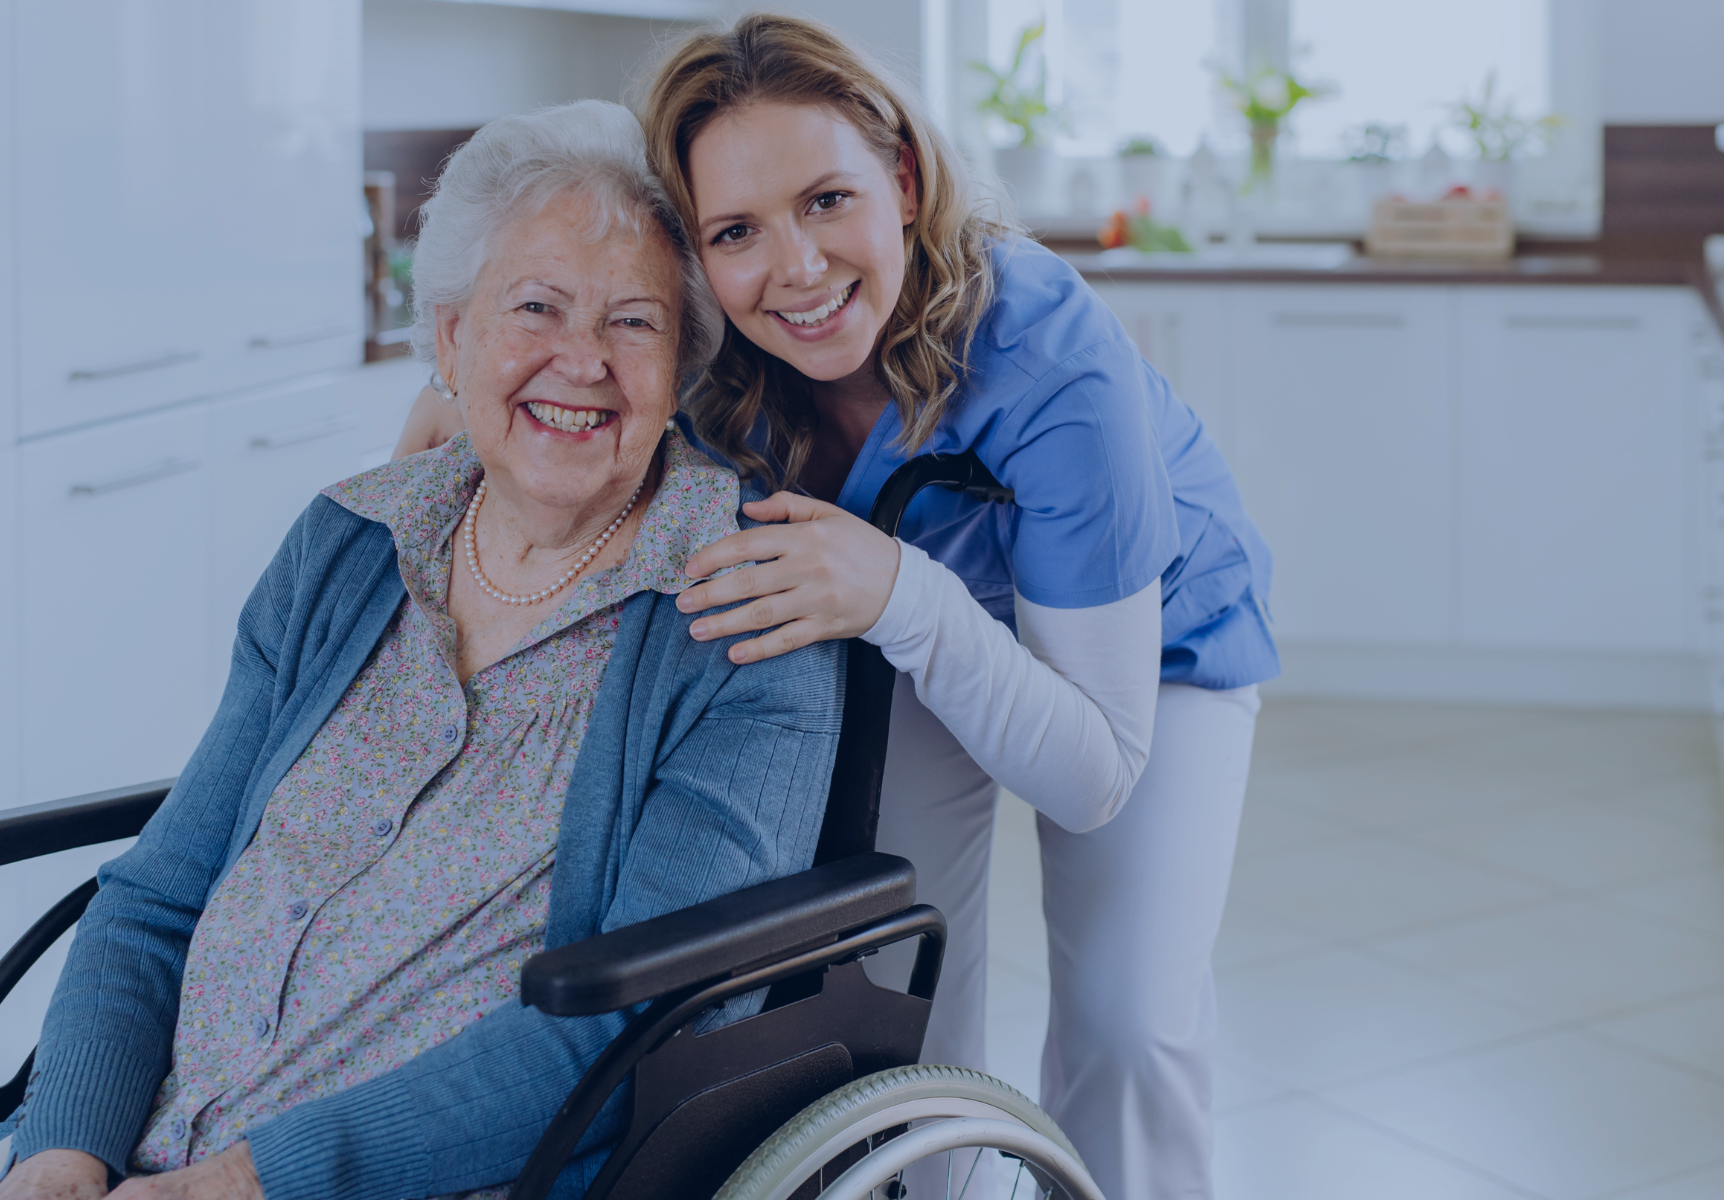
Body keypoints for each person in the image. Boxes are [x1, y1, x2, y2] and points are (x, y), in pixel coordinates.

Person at [389, 16, 1277, 1200]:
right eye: (736, 232)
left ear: (901, 180)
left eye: (825, 201)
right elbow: (560, 368)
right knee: (899, 968)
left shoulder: (1054, 369)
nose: (795, 269)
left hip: (1148, 650)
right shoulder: (714, 355)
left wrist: (902, 591)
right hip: (889, 615)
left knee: (1127, 1020)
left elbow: (1089, 772)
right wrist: (455, 406)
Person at [0, 99, 844, 1200]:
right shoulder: (349, 542)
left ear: (682, 364)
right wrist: (61, 1154)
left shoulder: (742, 610)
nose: (581, 361)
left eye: (633, 323)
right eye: (536, 308)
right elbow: (155, 903)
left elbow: (636, 1022)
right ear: (453, 340)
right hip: (138, 1154)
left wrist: (245, 1182)